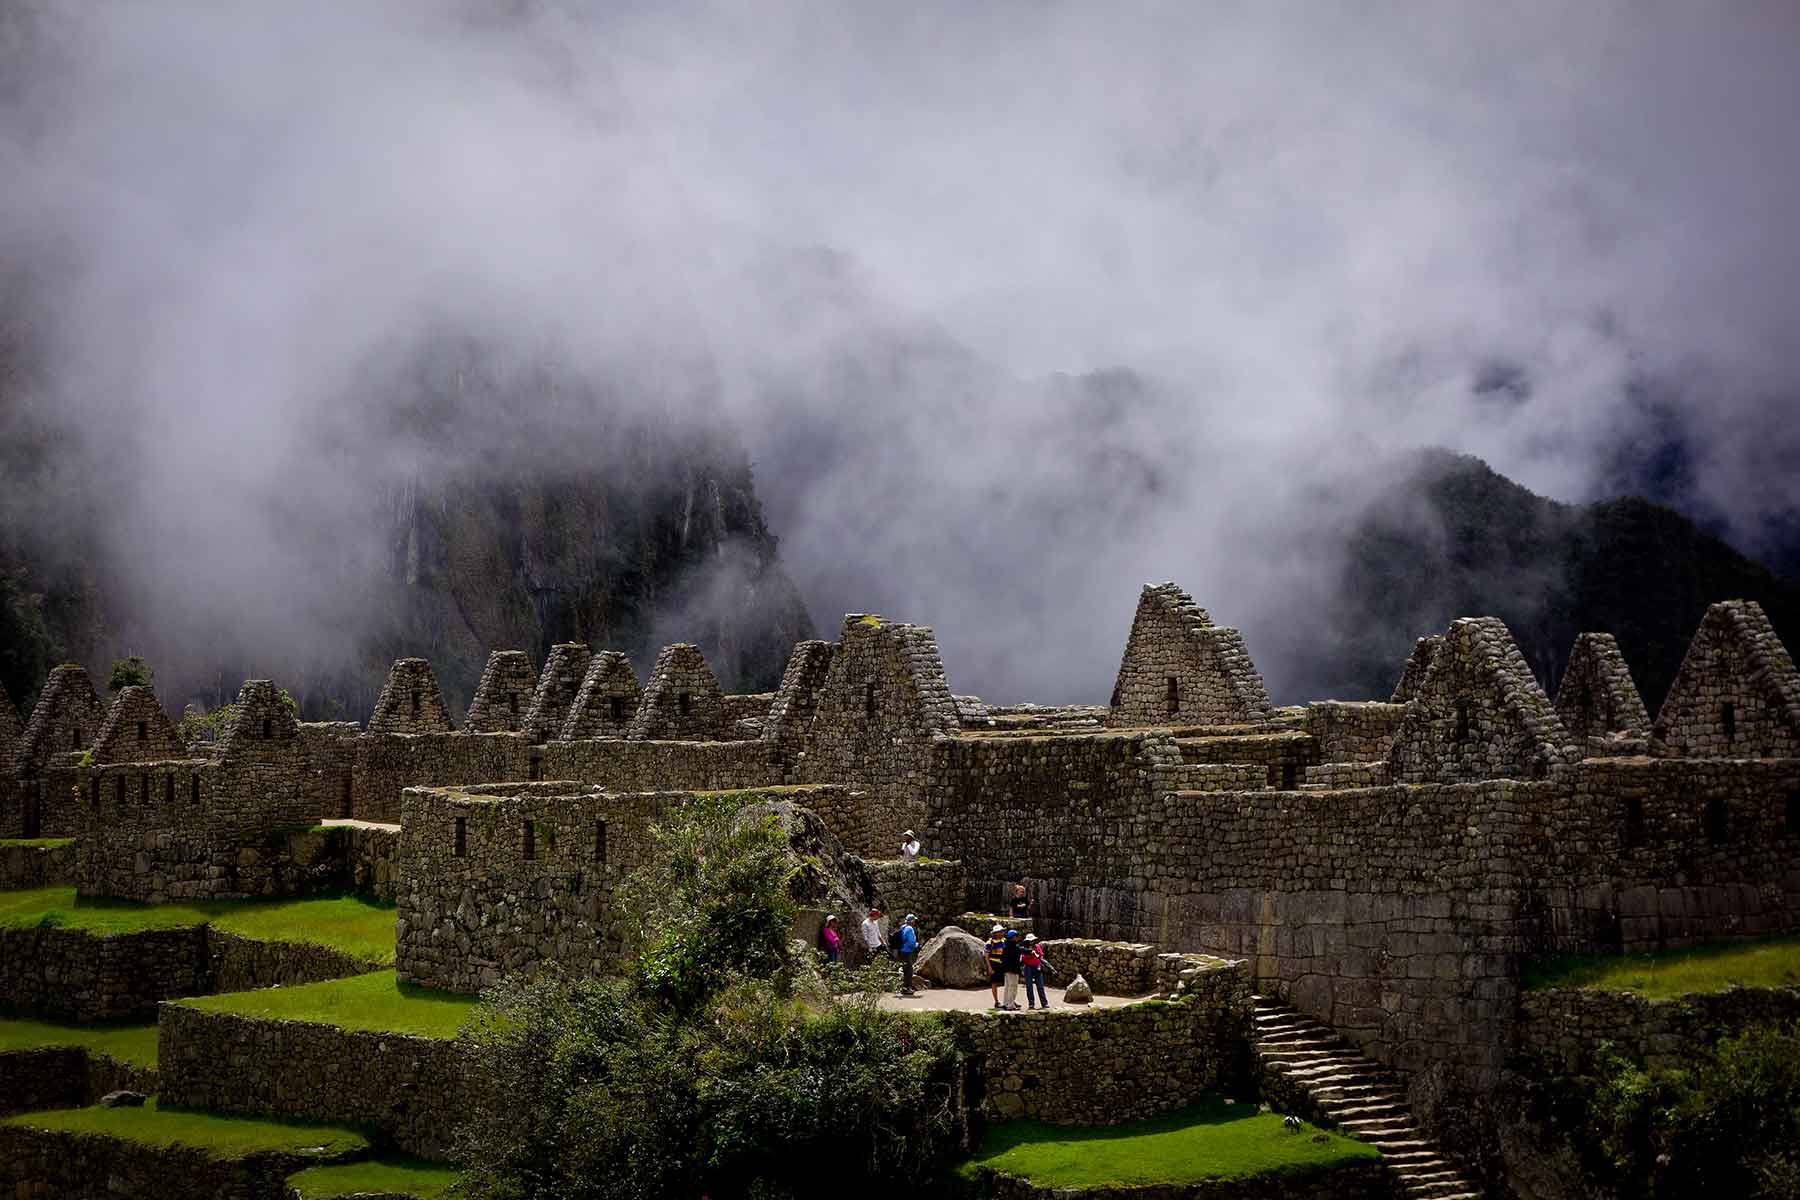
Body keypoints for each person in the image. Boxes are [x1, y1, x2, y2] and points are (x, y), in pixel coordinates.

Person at [1020, 933, 1052, 1009]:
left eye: (1033, 940)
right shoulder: (1024, 948)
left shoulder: (1037, 946)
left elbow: (1041, 955)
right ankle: (1031, 1004)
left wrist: (1037, 955)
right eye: (1030, 941)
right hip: (1028, 968)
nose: (1032, 942)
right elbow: (1023, 958)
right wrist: (1031, 954)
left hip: (1037, 967)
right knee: (1029, 986)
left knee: (1040, 986)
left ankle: (1044, 1003)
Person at [1000, 928, 1024, 1010]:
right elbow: (1021, 951)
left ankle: (1006, 1003)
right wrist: (1030, 951)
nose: (1018, 938)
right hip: (1013, 970)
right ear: (1013, 937)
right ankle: (1010, 1005)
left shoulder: (1005, 945)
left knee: (1007, 987)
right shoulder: (1014, 946)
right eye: (1016, 936)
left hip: (1006, 970)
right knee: (1013, 988)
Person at [896, 913, 920, 996]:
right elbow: (911, 942)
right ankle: (907, 989)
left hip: (901, 951)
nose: (915, 922)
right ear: (912, 921)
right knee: (909, 971)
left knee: (905, 969)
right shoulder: (910, 929)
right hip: (907, 952)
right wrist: (916, 945)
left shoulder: (903, 927)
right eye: (914, 920)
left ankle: (904, 987)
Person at [985, 923, 1007, 1009]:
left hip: (1003, 964)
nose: (1002, 933)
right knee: (994, 983)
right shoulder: (989, 943)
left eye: (1002, 931)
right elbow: (986, 956)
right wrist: (989, 967)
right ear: (996, 933)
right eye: (1000, 932)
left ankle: (1008, 1000)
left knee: (1007, 982)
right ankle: (996, 1001)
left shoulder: (1004, 941)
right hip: (994, 964)